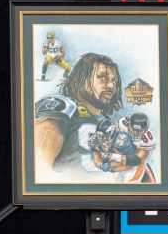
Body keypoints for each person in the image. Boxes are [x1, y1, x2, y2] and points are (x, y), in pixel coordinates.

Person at [34, 52, 124, 181]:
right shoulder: (62, 106)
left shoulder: (110, 126)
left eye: (114, 81)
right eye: (101, 77)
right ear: (81, 78)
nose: (111, 85)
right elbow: (38, 167)